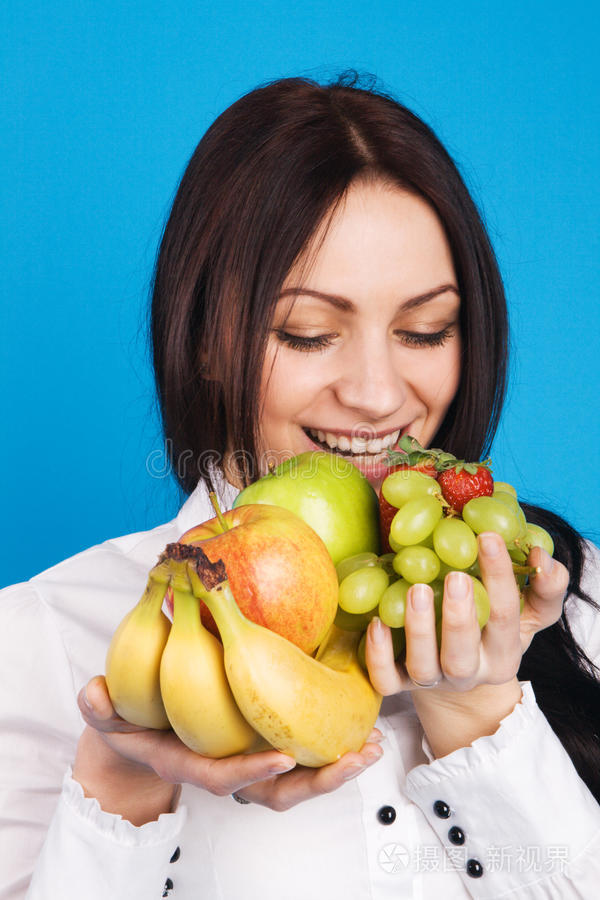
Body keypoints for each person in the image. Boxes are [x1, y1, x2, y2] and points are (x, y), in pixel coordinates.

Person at [2, 73, 600, 900]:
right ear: (207, 339)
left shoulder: (572, 598)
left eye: (424, 331)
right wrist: (123, 786)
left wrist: (480, 721)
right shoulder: (39, 644)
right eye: (310, 334)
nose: (378, 395)